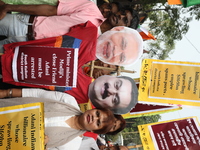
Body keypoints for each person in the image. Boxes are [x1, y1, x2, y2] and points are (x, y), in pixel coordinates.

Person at [1, 22, 139, 114]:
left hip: (6, 79)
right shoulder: (90, 33)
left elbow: (40, 96)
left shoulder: (80, 103)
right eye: (117, 85)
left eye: (115, 99)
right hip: (7, 50)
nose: (111, 91)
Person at [0, 88, 126, 150]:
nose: (94, 117)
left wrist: (42, 146)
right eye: (97, 113)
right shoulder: (69, 101)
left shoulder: (72, 145)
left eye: (98, 123)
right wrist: (6, 93)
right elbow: (37, 94)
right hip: (4, 108)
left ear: (94, 132)